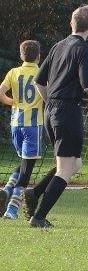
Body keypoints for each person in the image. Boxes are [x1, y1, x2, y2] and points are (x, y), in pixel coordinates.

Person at [28, 5, 88, 228]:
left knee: (75, 163)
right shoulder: (84, 49)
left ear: (71, 23)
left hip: (52, 111)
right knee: (66, 169)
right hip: (67, 111)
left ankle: (34, 193)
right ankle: (38, 217)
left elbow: (39, 81)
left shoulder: (58, 46)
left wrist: (50, 103)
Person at [0, 40, 44, 219]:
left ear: (21, 55)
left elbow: (1, 92)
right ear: (39, 56)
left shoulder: (13, 72)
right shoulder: (42, 72)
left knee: (24, 163)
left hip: (16, 125)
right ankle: (12, 209)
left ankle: (6, 190)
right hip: (33, 125)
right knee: (27, 169)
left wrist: (13, 102)